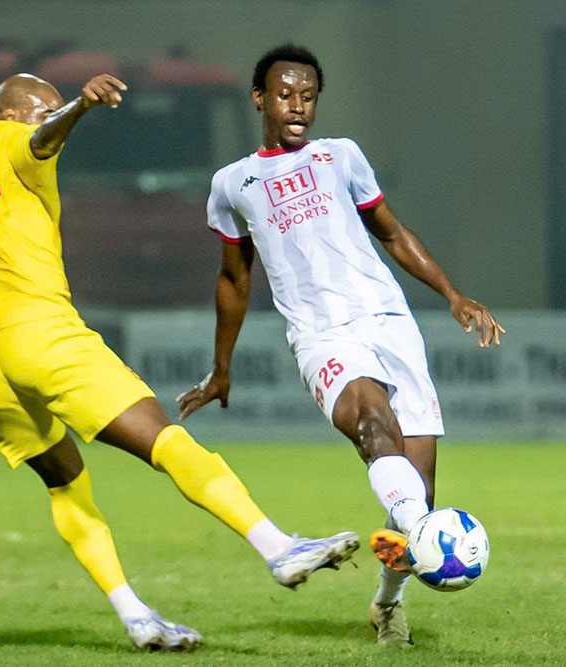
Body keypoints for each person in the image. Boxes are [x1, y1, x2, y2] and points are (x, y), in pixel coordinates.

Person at [0, 72, 359, 652]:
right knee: (165, 440)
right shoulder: (18, 140)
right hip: (38, 335)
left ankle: (137, 616)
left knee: (67, 487)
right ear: (10, 114)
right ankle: (277, 548)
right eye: (40, 110)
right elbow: (41, 142)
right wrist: (79, 109)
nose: (46, 118)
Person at [177, 45, 505, 647]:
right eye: (284, 94)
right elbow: (234, 279)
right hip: (321, 335)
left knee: (419, 489)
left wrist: (453, 294)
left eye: (307, 96)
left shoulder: (341, 156)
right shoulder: (232, 184)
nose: (297, 106)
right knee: (373, 425)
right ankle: (433, 540)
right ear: (260, 99)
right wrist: (221, 367)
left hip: (390, 322)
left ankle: (387, 600)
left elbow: (392, 232)